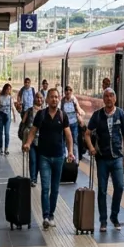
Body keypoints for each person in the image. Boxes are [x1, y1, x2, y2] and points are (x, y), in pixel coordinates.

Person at [22, 88, 75, 230]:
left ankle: (51, 215)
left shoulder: (62, 116)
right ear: (47, 100)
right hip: (44, 156)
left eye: (56, 97)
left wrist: (70, 152)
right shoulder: (41, 114)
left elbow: (69, 136)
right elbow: (33, 131)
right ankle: (45, 216)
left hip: (59, 157)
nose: (54, 99)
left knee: (55, 189)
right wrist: (28, 143)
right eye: (52, 97)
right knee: (45, 188)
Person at [84, 88, 124, 232]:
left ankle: (114, 216)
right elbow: (87, 134)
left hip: (117, 157)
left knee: (120, 187)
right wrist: (91, 147)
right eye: (106, 96)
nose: (109, 98)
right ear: (103, 99)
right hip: (102, 159)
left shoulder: (120, 114)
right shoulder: (97, 116)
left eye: (111, 96)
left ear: (115, 99)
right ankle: (103, 220)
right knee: (102, 190)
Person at [0, 83, 14, 154]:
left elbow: (12, 107)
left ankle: (6, 149)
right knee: (0, 132)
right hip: (0, 116)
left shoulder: (10, 97)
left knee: (7, 133)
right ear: (4, 89)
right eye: (7, 89)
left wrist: (14, 116)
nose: (8, 90)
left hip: (7, 116)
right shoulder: (0, 96)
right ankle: (0, 148)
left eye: (9, 89)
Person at [61, 86, 80, 159]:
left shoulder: (74, 100)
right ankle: (65, 158)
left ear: (71, 92)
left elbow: (78, 109)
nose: (68, 92)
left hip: (74, 123)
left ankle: (76, 160)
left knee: (74, 141)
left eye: (70, 90)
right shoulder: (62, 101)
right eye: (66, 90)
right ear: (65, 92)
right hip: (65, 125)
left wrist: (79, 115)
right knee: (64, 141)